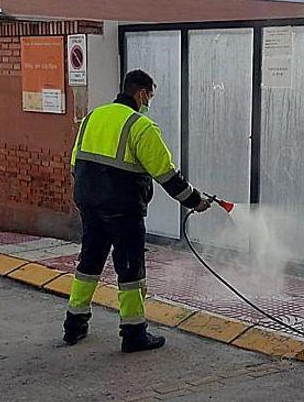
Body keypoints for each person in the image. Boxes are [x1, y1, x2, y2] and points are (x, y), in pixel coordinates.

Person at [64, 69, 211, 352]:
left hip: (89, 205)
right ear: (141, 93)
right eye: (150, 96)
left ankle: (74, 325)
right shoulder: (140, 126)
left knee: (89, 264)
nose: (149, 102)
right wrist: (195, 201)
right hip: (123, 210)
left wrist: (92, 193)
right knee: (131, 271)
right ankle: (134, 334)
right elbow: (166, 173)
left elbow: (75, 163)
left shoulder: (92, 117)